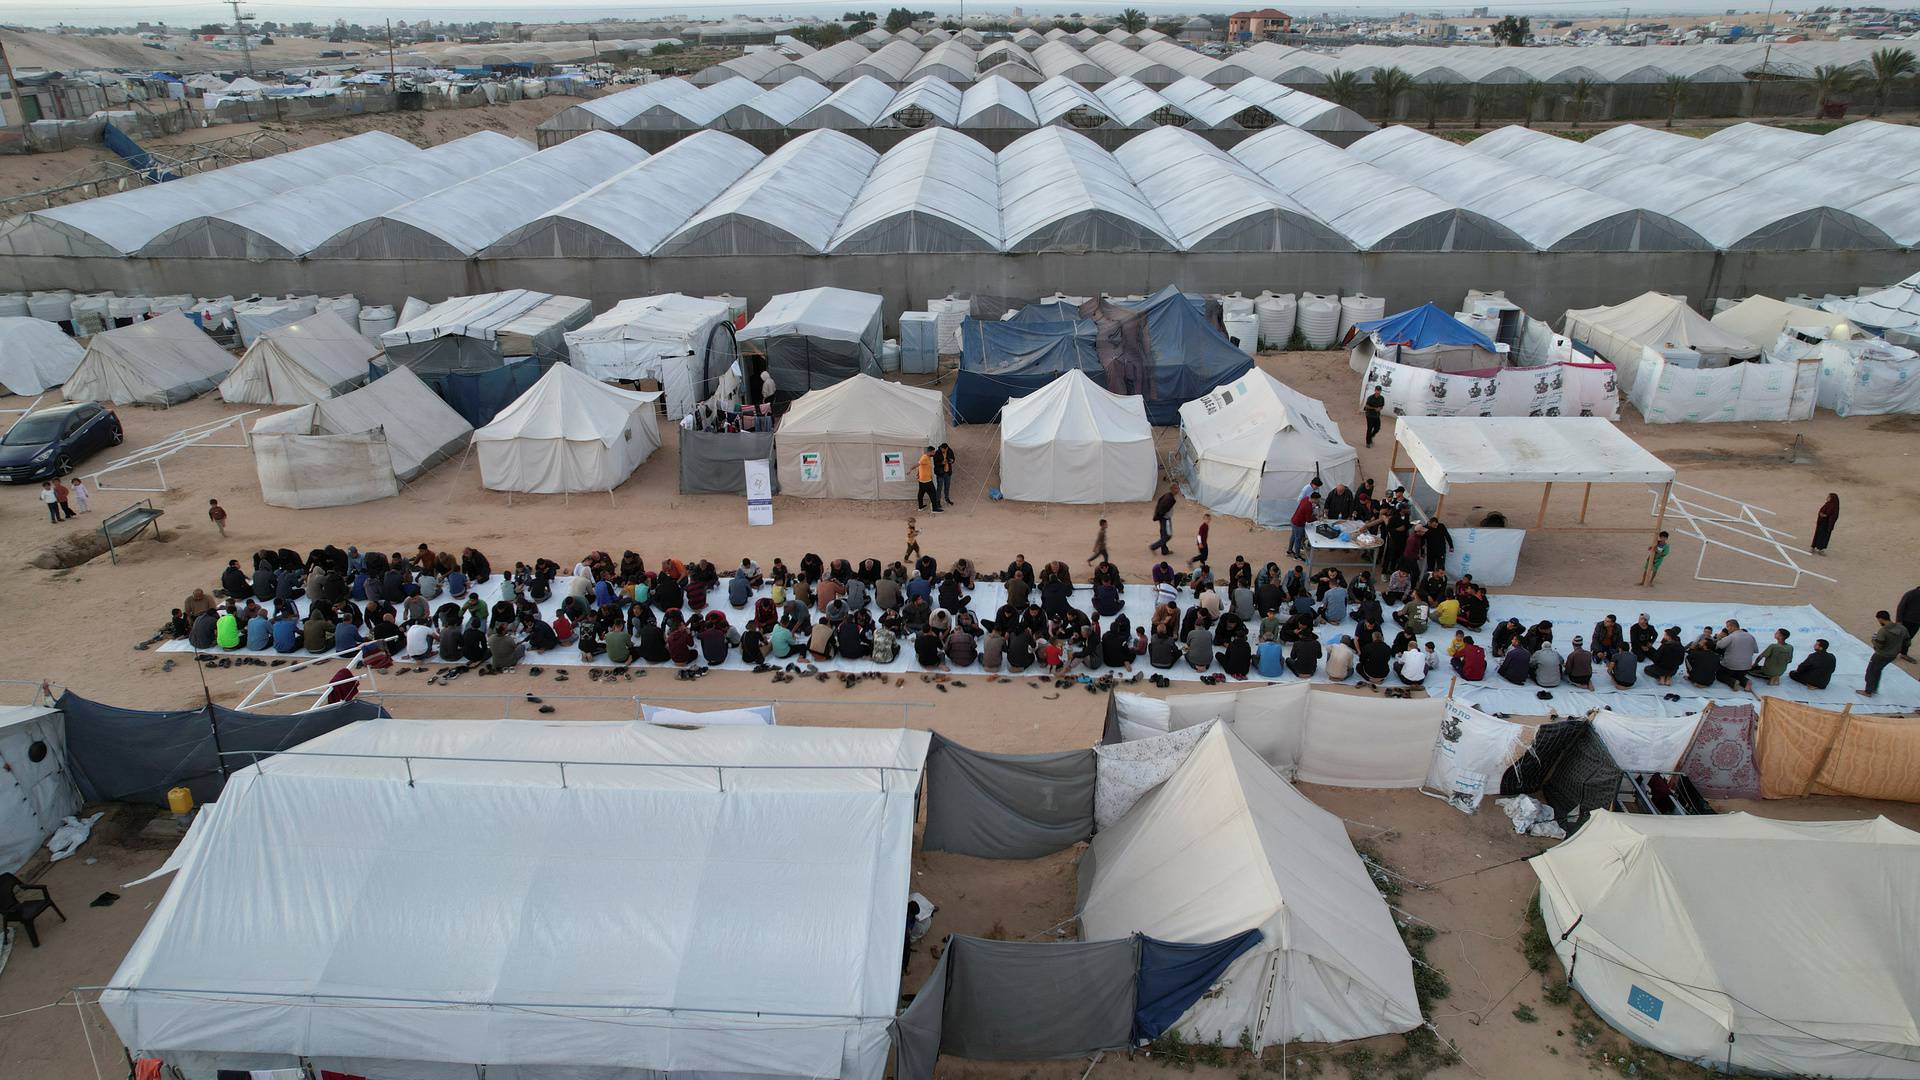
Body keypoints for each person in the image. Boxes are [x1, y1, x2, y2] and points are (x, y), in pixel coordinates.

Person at [1864, 610, 1911, 697]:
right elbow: (1907, 642)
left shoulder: (1883, 631)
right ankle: (1873, 689)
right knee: (1878, 670)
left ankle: (1868, 691)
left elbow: (1879, 646)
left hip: (1881, 655)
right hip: (1892, 655)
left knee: (1871, 671)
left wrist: (1874, 640)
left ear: (1881, 619)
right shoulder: (1902, 629)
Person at [1715, 620, 1759, 690]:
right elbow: (1755, 650)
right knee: (1738, 675)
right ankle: (1746, 681)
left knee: (1720, 675)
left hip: (1730, 667)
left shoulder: (1731, 636)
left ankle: (1733, 682)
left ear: (1732, 627)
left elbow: (1719, 645)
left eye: (1727, 627)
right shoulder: (1751, 636)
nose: (1727, 629)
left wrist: (1719, 638)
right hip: (1746, 668)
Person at [1150, 483, 1178, 556]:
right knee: (1168, 535)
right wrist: (1160, 517)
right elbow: (1162, 508)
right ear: (1171, 489)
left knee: (1163, 535)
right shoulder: (1170, 499)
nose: (1177, 490)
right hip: (1165, 519)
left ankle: (1164, 551)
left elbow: (1159, 502)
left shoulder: (1168, 495)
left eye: (1177, 488)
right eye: (1175, 489)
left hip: (1163, 518)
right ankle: (1153, 547)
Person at [915, 446, 942, 512]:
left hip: (922, 480)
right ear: (930, 452)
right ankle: (934, 508)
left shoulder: (926, 457)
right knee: (933, 494)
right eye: (933, 452)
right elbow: (918, 464)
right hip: (926, 481)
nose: (934, 453)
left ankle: (920, 507)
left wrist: (918, 474)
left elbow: (920, 466)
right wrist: (910, 469)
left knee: (920, 494)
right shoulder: (924, 458)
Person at [1899, 584, 1920, 662]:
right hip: (1906, 621)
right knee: (1898, 637)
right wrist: (1899, 621)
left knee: (1908, 638)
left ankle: (1903, 654)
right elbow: (1901, 607)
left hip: (1917, 622)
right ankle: (1889, 653)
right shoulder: (1910, 594)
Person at [933, 442, 956, 507]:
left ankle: (947, 498)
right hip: (940, 473)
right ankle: (938, 501)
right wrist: (941, 463)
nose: (943, 451)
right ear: (941, 448)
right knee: (939, 487)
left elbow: (953, 459)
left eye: (945, 450)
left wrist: (951, 461)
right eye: (942, 450)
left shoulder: (949, 451)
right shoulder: (937, 453)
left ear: (947, 448)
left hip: (948, 472)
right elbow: (935, 463)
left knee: (947, 486)